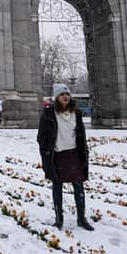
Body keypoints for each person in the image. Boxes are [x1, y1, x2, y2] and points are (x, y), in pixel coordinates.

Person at [36, 83, 93, 231]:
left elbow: (81, 134)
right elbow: (41, 137)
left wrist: (83, 152)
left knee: (79, 186)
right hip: (57, 155)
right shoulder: (49, 114)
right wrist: (46, 151)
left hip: (74, 154)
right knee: (57, 187)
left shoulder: (77, 113)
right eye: (62, 94)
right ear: (57, 97)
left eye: (67, 94)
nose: (66, 97)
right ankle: (58, 219)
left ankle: (82, 218)